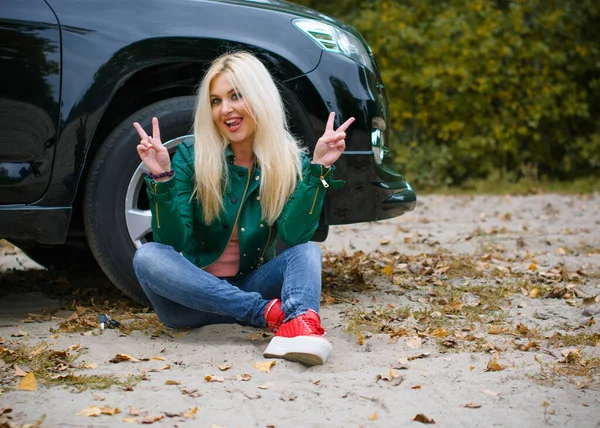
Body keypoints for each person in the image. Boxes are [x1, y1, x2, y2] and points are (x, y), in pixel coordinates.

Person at [132, 51, 354, 366]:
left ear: (260, 97)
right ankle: (270, 315)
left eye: (236, 96)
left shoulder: (290, 162)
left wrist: (318, 171)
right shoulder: (190, 157)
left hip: (254, 284)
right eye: (216, 101)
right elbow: (173, 241)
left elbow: (295, 234)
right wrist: (161, 179)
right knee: (148, 256)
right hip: (192, 303)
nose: (226, 109)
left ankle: (302, 325)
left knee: (308, 252)